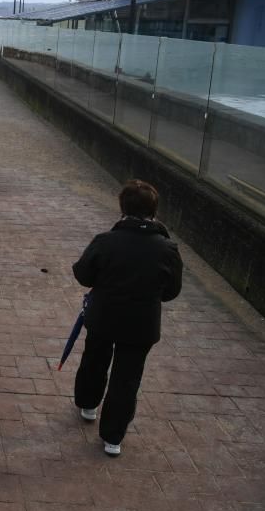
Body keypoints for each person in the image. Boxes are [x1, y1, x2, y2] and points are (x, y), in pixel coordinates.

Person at [72, 179, 183, 457]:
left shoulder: (106, 241)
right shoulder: (167, 249)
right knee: (128, 377)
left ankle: (88, 404)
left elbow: (83, 274)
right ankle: (113, 437)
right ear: (153, 211)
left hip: (104, 315)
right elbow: (171, 291)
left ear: (123, 207)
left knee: (95, 358)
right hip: (141, 324)